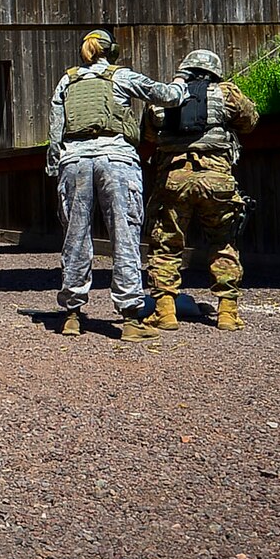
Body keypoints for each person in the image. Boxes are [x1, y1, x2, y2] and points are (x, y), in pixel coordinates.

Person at [45, 29, 183, 340]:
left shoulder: (67, 81)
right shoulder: (120, 76)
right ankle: (131, 318)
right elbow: (167, 97)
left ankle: (72, 315)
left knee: (75, 237)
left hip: (74, 161)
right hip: (117, 159)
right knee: (124, 234)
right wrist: (181, 85)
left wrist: (55, 167)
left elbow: (55, 133)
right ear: (111, 51)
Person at [144, 49, 260, 331]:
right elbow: (250, 122)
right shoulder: (227, 93)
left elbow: (147, 134)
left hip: (174, 179)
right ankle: (227, 314)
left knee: (166, 246)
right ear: (214, 71)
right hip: (217, 180)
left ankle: (165, 312)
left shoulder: (162, 97)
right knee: (223, 243)